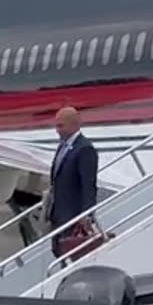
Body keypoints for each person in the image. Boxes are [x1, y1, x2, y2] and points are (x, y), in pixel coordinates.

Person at [45, 106, 99, 256]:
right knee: (58, 252)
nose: (57, 130)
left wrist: (87, 214)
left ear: (74, 124)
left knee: (70, 253)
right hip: (58, 214)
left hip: (72, 216)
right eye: (56, 125)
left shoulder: (84, 149)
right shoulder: (63, 146)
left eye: (61, 125)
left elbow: (89, 185)